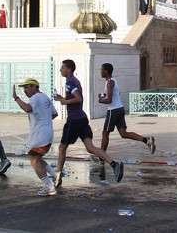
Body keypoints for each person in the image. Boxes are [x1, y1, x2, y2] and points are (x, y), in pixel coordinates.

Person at [53, 59, 124, 188]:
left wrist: (64, 101)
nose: (60, 70)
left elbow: (78, 99)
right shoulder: (75, 81)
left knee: (62, 148)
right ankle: (114, 164)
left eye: (62, 67)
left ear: (69, 69)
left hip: (74, 120)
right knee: (90, 148)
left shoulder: (70, 82)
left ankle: (57, 176)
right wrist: (62, 98)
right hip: (82, 119)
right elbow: (77, 98)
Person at [13, 78, 58, 196]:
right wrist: (43, 120)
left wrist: (16, 98)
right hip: (46, 133)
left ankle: (49, 187)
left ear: (34, 87)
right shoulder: (45, 97)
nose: (25, 90)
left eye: (27, 87)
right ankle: (54, 175)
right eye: (24, 88)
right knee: (37, 157)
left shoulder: (35, 98)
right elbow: (54, 114)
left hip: (40, 136)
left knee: (34, 160)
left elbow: (27, 108)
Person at [98, 63, 155, 157]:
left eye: (101, 69)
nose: (100, 71)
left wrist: (101, 100)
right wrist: (104, 96)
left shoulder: (109, 82)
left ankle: (101, 156)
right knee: (123, 133)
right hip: (119, 108)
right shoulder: (113, 81)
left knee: (105, 133)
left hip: (113, 110)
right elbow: (115, 95)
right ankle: (146, 140)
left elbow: (109, 100)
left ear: (106, 71)